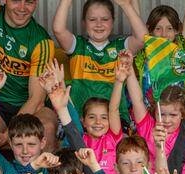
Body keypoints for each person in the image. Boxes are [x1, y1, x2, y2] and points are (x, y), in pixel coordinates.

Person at [0, 0, 57, 142]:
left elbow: (36, 99)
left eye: (29, 2)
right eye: (16, 1)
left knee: (47, 129)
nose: (22, 8)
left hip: (29, 106)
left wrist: (10, 134)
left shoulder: (42, 41)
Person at [52, 0, 145, 129]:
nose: (99, 24)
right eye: (92, 19)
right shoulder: (78, 46)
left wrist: (126, 5)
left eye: (105, 19)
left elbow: (142, 38)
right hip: (81, 120)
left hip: (116, 122)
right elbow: (58, 30)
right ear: (84, 22)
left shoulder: (120, 48)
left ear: (113, 21)